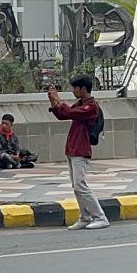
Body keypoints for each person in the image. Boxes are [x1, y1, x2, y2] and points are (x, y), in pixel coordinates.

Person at [49, 76, 110, 230]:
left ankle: (100, 217)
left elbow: (70, 112)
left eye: (75, 88)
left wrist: (58, 99)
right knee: (76, 186)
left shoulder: (91, 107)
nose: (73, 91)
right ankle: (85, 217)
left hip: (81, 149)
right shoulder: (80, 104)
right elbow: (63, 115)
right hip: (72, 148)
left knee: (80, 185)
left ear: (83, 89)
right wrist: (53, 102)